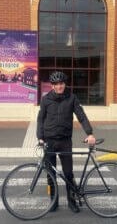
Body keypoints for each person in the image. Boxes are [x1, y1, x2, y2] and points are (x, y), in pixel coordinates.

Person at [36, 71, 96, 213]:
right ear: (52, 86)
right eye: (56, 84)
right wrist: (40, 136)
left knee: (68, 173)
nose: (59, 86)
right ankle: (53, 201)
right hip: (49, 141)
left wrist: (90, 133)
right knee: (50, 174)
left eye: (61, 84)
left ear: (65, 84)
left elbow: (81, 116)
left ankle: (72, 201)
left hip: (65, 141)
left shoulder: (72, 98)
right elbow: (40, 119)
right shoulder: (46, 100)